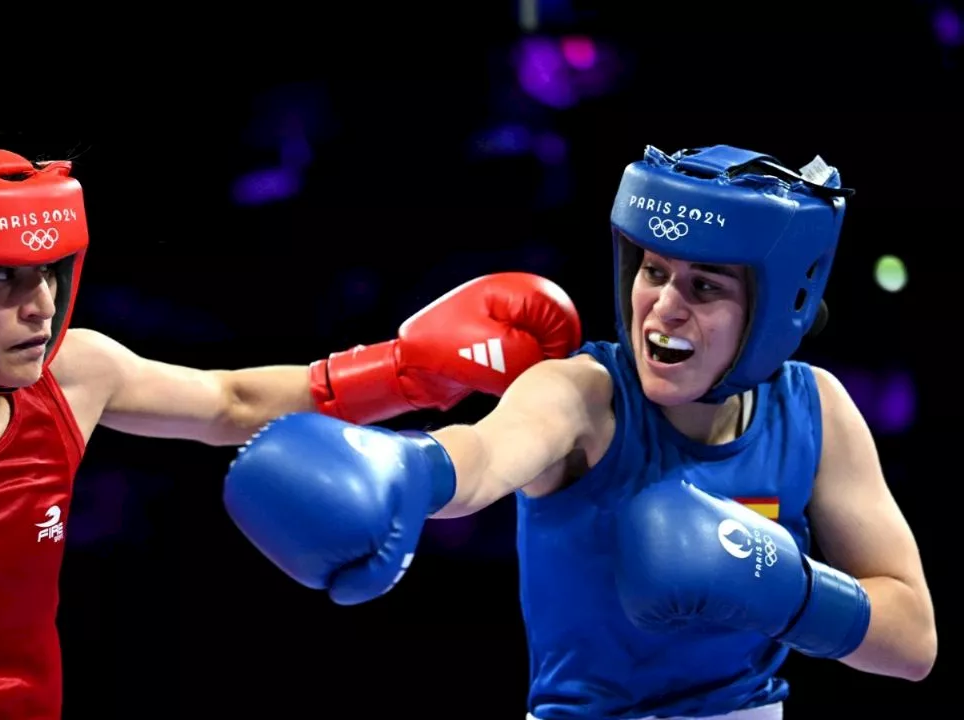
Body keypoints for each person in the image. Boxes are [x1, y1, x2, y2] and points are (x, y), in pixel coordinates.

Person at [0, 141, 584, 718]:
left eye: (48, 273)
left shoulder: (75, 374)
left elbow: (232, 402)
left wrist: (407, 371)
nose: (40, 307)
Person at [222, 144, 938, 718]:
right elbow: (485, 454)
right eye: (653, 270)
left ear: (777, 310)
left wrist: (788, 590)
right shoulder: (584, 394)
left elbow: (914, 643)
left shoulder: (817, 409)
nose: (664, 307)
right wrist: (410, 470)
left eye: (705, 286)